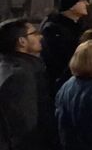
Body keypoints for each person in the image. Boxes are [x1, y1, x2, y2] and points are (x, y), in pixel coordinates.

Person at [0, 18, 56, 150]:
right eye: (34, 33)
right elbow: (25, 126)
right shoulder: (21, 75)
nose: (40, 36)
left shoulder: (8, 66)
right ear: (22, 41)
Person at [40, 0, 88, 96]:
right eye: (82, 0)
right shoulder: (53, 29)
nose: (87, 4)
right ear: (71, 5)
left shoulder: (80, 25)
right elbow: (55, 60)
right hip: (62, 84)